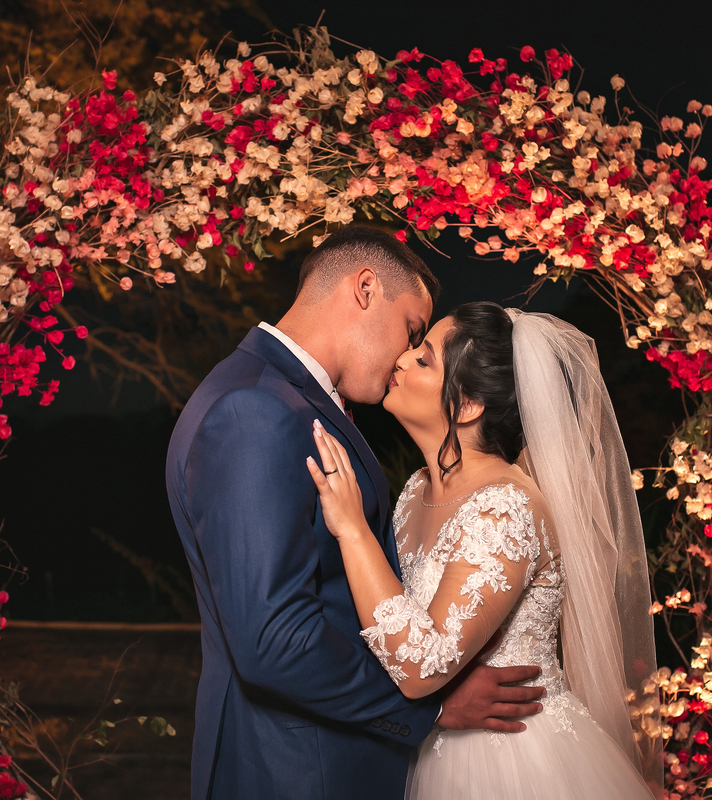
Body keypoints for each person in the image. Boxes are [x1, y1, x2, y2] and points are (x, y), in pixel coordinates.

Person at [165, 229, 546, 800]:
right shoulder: (256, 412)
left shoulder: (289, 400)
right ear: (365, 289)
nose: (403, 357)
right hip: (296, 771)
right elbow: (274, 641)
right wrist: (432, 706)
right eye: (412, 331)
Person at [306, 302, 662, 799]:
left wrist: (353, 530)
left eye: (424, 359)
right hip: (432, 749)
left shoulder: (504, 508)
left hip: (516, 763)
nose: (403, 360)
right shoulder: (413, 491)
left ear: (468, 405)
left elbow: (420, 667)